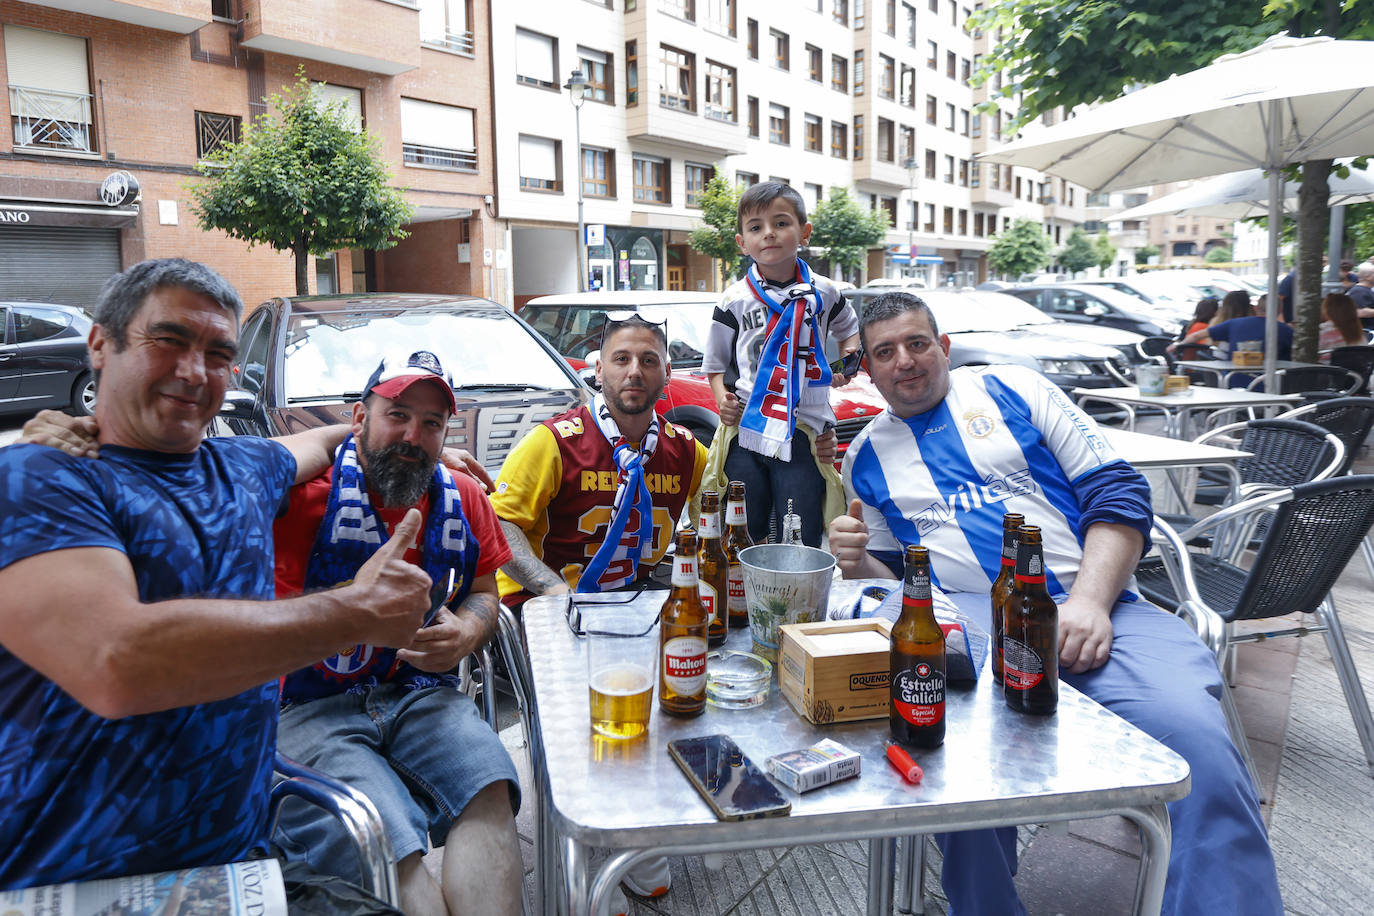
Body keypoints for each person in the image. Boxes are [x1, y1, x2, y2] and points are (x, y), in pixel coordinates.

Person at [828, 291, 1283, 916]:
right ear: (870, 372)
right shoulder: (864, 459)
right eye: (885, 352)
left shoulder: (1014, 389)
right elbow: (904, 576)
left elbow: (1118, 493)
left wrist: (1092, 602)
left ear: (944, 349)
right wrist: (860, 561)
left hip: (1099, 611)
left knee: (1197, 748)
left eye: (917, 343)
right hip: (975, 634)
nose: (904, 361)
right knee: (949, 763)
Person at [0, 260, 431, 891]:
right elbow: (117, 662)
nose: (194, 371)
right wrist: (356, 612)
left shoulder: (243, 467)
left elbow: (324, 443)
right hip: (76, 882)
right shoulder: (43, 479)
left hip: (243, 864)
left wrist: (415, 446)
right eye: (169, 340)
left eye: (219, 353)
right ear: (100, 344)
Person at [270, 351, 522, 916]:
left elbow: (486, 593)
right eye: (398, 415)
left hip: (420, 695)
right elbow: (258, 618)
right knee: (381, 832)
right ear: (359, 417)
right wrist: (351, 605)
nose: (414, 435)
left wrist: (466, 632)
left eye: (431, 423)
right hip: (307, 707)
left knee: (490, 788)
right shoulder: (300, 495)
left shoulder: (463, 497)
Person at [489, 313, 707, 907]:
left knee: (680, 694)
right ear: (599, 368)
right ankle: (582, 848)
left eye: (649, 360)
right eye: (621, 359)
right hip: (550, 609)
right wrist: (553, 591)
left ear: (667, 375)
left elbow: (716, 515)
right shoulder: (555, 439)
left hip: (629, 607)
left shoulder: (687, 452)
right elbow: (499, 521)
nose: (634, 371)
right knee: (577, 729)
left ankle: (636, 828)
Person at [700, 181, 858, 547]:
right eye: (756, 227)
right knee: (742, 526)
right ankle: (741, 599)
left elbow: (850, 331)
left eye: (781, 223)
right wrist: (721, 398)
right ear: (742, 242)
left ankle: (797, 597)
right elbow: (715, 364)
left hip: (802, 428)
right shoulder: (733, 300)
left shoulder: (825, 292)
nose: (768, 234)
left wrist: (847, 365)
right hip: (746, 425)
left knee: (798, 526)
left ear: (804, 232)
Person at [1169, 289, 1292, 370]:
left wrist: (1178, 345)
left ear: (1257, 308)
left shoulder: (1233, 324)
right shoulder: (1285, 331)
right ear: (1280, 310)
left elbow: (1196, 336)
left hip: (1231, 380)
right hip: (1271, 385)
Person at [1317, 292, 1366, 359]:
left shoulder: (1323, 330)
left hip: (1328, 368)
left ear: (1327, 310)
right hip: (1356, 368)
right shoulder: (1358, 331)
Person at [1176, 296, 1219, 361]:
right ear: (1215, 312)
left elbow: (1179, 341)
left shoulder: (1190, 325)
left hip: (1186, 362)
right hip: (1201, 363)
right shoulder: (1209, 329)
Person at [1348, 262, 1374, 331]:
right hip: (1366, 332)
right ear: (1367, 277)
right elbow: (1360, 312)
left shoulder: (1365, 290)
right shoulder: (1359, 291)